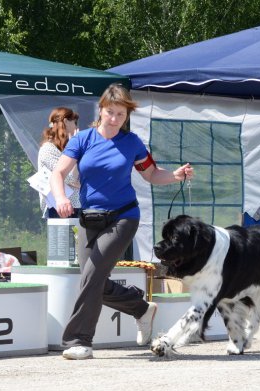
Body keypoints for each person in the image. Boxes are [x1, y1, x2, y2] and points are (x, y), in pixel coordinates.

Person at [50, 84, 194, 360]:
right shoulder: (83, 140)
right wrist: (60, 198)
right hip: (90, 218)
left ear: (126, 116)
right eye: (110, 112)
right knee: (93, 281)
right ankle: (141, 309)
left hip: (124, 217)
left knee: (92, 277)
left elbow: (151, 174)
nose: (115, 119)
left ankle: (78, 341)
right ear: (100, 110)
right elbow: (58, 173)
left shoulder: (132, 143)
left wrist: (175, 176)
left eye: (120, 114)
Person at [38, 107, 80, 218]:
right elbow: (70, 177)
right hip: (58, 208)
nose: (77, 127)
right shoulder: (48, 149)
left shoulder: (65, 148)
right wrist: (75, 148)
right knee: (62, 236)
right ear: (66, 121)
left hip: (75, 206)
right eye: (74, 123)